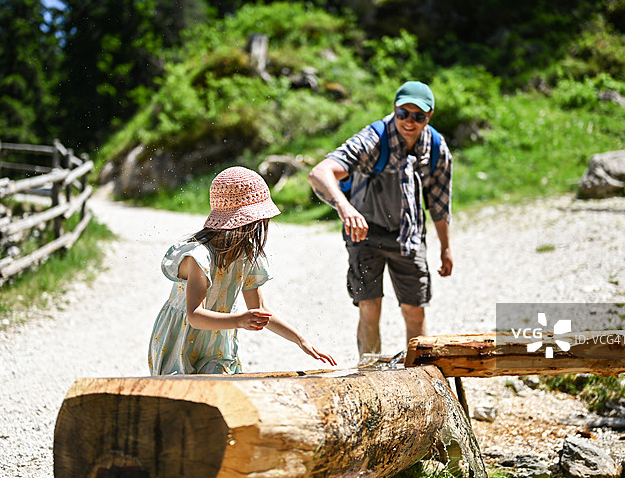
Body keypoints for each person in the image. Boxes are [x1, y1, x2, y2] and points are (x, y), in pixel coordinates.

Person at [308, 80, 453, 358]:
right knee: (370, 306)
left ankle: (419, 371)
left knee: (414, 309)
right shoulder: (373, 139)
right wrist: (345, 208)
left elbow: (439, 203)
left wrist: (446, 247)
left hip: (409, 236)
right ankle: (369, 371)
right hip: (364, 233)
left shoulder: (436, 149)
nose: (409, 122)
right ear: (394, 109)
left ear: (429, 116)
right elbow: (319, 173)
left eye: (418, 116)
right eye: (403, 114)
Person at [148, 166, 336, 375]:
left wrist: (300, 340)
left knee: (221, 389)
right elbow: (195, 316)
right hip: (181, 341)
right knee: (180, 393)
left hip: (217, 343)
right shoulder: (199, 257)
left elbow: (260, 309)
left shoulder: (246, 256)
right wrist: (238, 320)